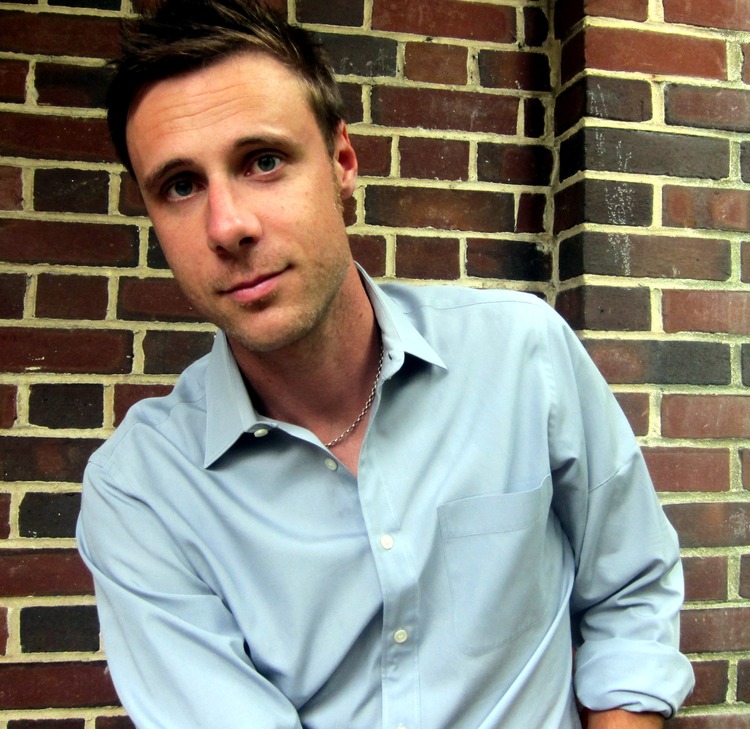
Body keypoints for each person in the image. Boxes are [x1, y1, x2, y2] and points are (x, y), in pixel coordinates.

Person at [76, 1, 695, 727]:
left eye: (264, 161)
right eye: (181, 185)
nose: (228, 225)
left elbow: (630, 592)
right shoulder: (142, 492)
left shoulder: (521, 356)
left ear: (342, 163)